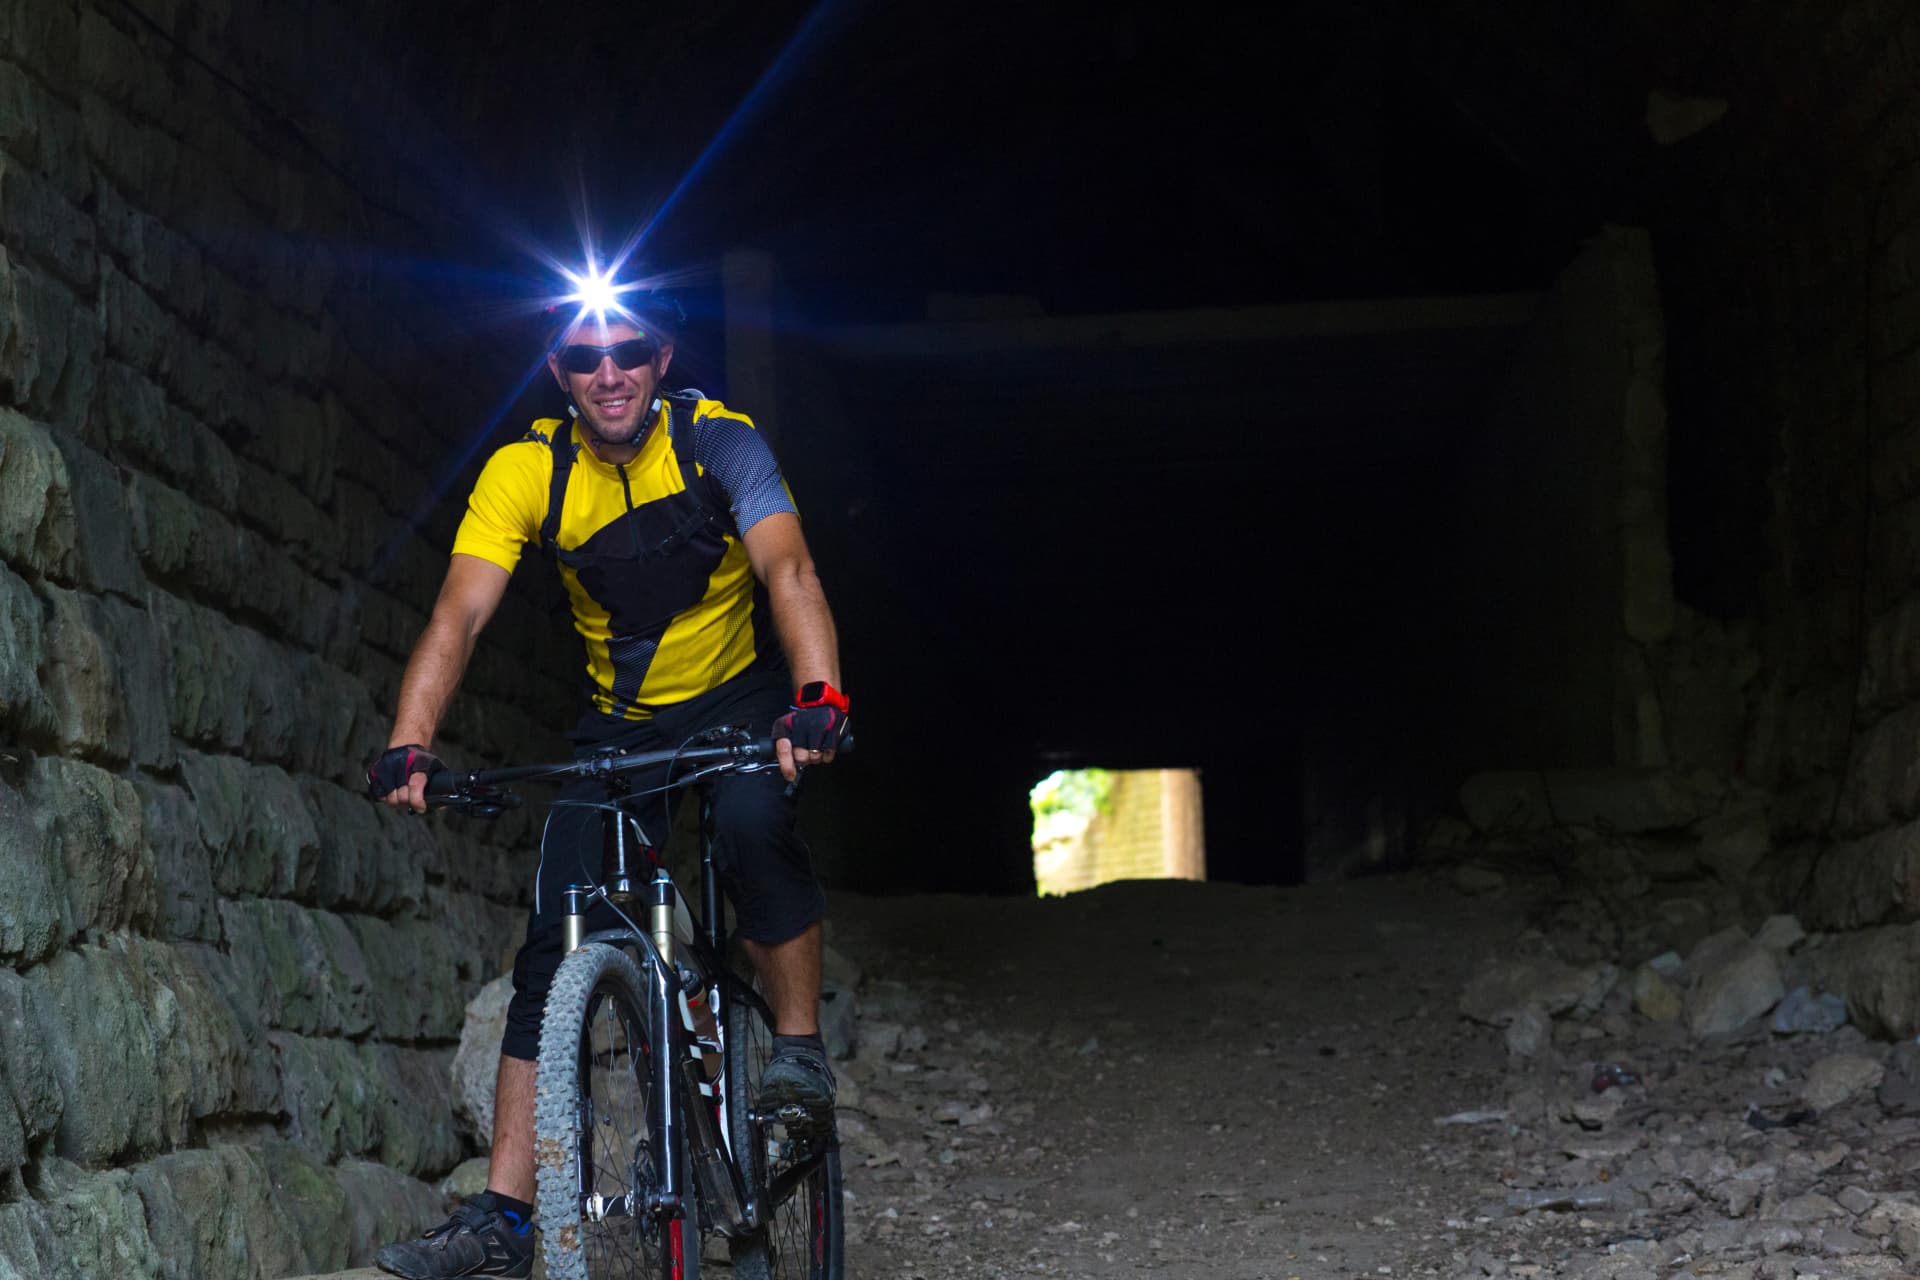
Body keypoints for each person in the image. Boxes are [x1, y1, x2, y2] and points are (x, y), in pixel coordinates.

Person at [365, 286, 848, 1279]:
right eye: (585, 358)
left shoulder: (719, 442)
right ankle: (506, 1218)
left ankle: (797, 1053)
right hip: (621, 720)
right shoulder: (529, 469)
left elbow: (789, 570)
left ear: (662, 357)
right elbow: (460, 612)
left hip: (735, 696)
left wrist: (816, 696)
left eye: (628, 350)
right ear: (559, 372)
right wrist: (411, 743)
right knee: (556, 935)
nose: (609, 372)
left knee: (751, 820)